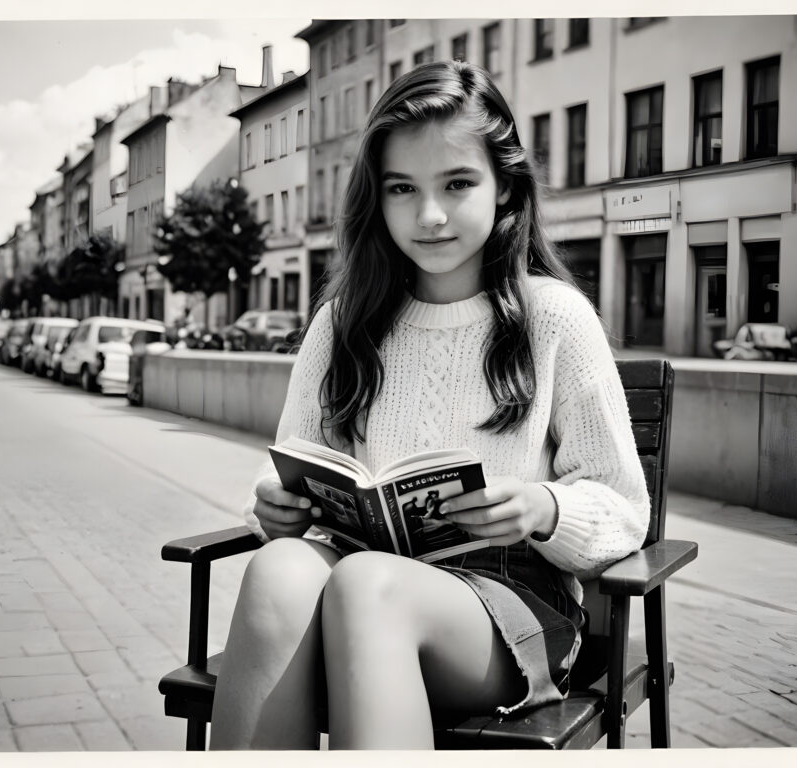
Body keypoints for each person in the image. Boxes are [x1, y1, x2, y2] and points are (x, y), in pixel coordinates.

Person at [210, 61, 650, 750]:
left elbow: (625, 508)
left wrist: (544, 508)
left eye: (457, 183)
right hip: (356, 571)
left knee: (367, 586)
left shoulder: (554, 318)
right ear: (377, 198)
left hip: (507, 605)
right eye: (402, 189)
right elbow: (288, 465)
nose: (430, 215)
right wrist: (273, 506)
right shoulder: (342, 323)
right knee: (277, 569)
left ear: (505, 187)